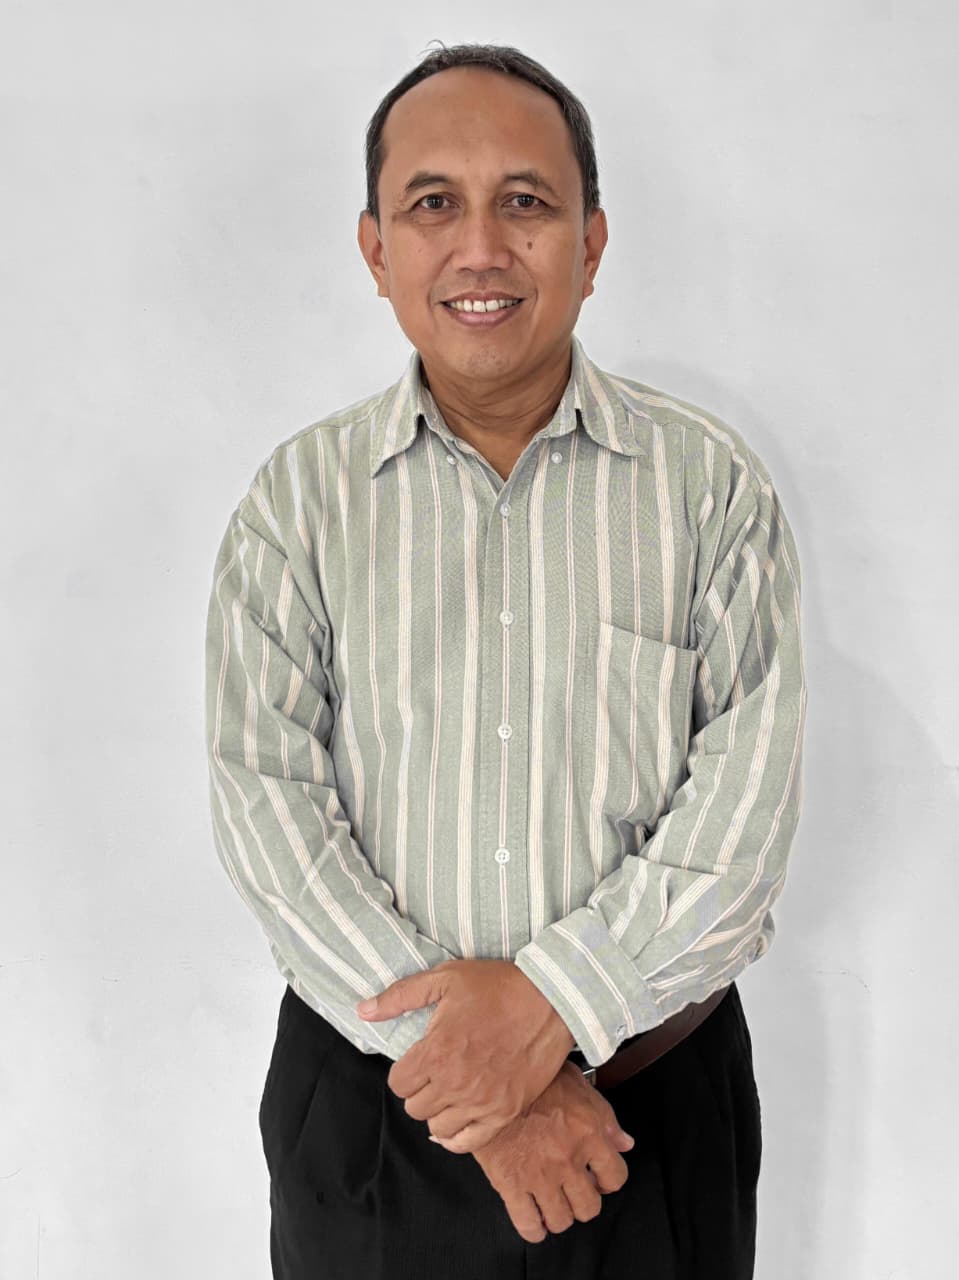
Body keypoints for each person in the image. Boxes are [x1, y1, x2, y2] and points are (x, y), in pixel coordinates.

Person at [204, 41, 807, 1280]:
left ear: (590, 241)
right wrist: (479, 1077)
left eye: (524, 201)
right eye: (433, 203)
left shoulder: (709, 489)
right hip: (372, 1122)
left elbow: (739, 826)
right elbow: (269, 810)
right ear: (375, 248)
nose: (479, 247)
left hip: (649, 1109)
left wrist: (552, 1011)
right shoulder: (297, 504)